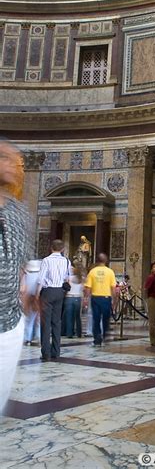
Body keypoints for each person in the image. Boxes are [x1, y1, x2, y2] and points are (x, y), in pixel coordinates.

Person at [0, 140, 30, 413]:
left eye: (16, 161)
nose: (14, 166)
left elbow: (22, 262)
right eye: (5, 158)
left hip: (9, 323)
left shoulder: (18, 212)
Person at [37, 239, 71, 361]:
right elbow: (68, 278)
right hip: (59, 292)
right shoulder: (67, 261)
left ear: (51, 248)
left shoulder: (46, 260)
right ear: (62, 249)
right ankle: (56, 352)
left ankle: (46, 352)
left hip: (48, 291)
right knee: (57, 322)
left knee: (45, 323)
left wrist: (36, 295)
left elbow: (41, 279)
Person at [84, 253, 116, 346]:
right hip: (106, 298)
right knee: (106, 318)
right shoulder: (110, 272)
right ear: (106, 261)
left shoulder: (92, 272)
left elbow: (88, 287)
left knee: (96, 318)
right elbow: (113, 287)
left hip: (95, 298)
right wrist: (114, 299)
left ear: (97, 261)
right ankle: (105, 335)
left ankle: (97, 338)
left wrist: (85, 298)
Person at [22, 260, 41, 345]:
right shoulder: (40, 275)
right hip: (38, 298)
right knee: (39, 320)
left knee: (29, 320)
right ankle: (38, 337)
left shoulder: (26, 276)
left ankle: (27, 338)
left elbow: (23, 289)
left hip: (28, 298)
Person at [63, 265, 84, 338]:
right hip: (78, 298)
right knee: (77, 317)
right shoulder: (81, 279)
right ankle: (79, 333)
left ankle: (69, 333)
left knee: (69, 317)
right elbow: (82, 289)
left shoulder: (69, 278)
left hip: (69, 297)